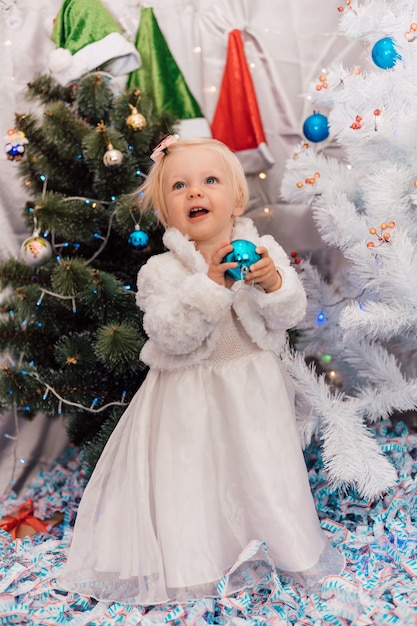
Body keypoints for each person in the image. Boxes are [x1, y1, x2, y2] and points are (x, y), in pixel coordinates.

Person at [60, 136, 344, 605]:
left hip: (254, 390)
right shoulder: (160, 271)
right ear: (165, 213)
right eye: (179, 186)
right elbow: (169, 334)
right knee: (194, 479)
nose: (195, 192)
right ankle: (197, 562)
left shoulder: (263, 249)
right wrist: (211, 283)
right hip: (187, 400)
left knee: (262, 471)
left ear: (235, 199)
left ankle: (278, 545)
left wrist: (273, 282)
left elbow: (288, 314)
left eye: (209, 181)